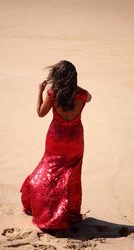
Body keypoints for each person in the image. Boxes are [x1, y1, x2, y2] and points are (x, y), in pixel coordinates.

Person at [20, 60, 92, 230]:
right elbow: (90, 97)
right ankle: (69, 212)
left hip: (56, 137)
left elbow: (40, 113)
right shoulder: (82, 94)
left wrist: (40, 91)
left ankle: (46, 211)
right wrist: (74, 87)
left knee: (49, 171)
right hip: (75, 138)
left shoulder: (53, 94)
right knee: (71, 175)